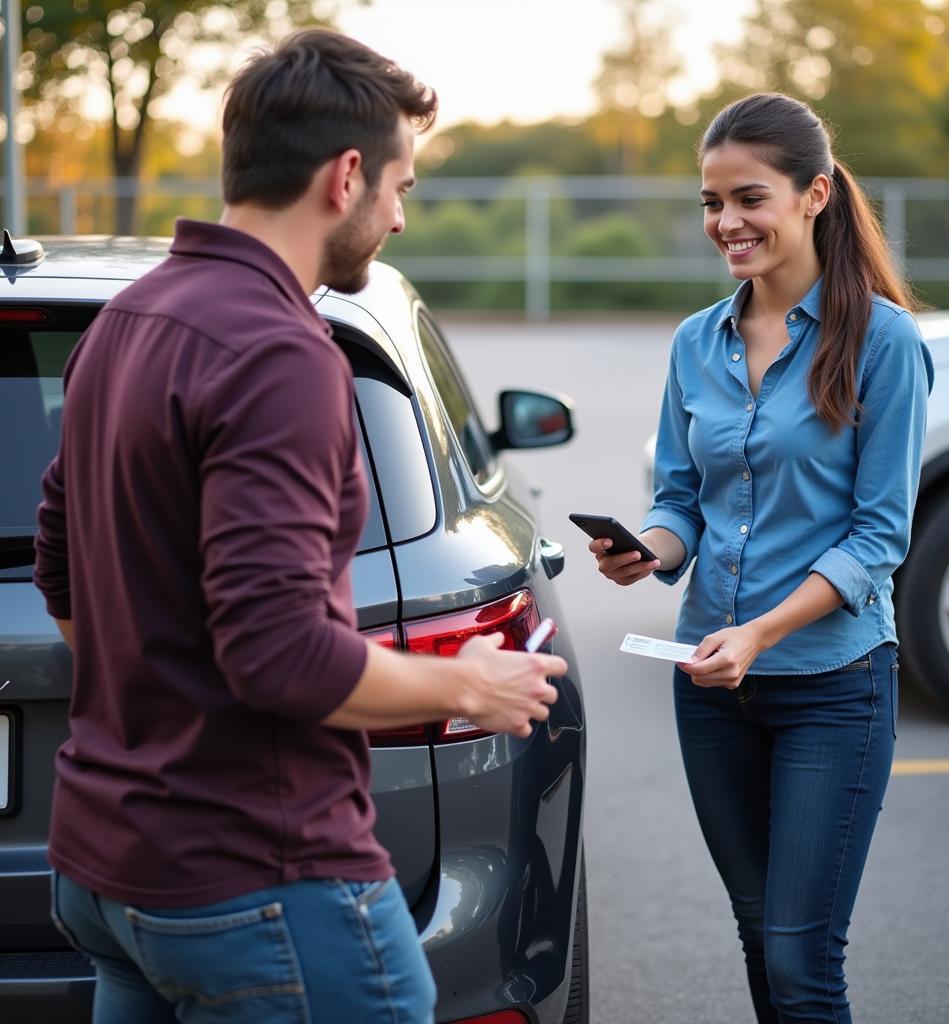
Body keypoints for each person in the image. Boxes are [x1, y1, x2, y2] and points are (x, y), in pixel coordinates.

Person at [33, 29, 566, 1024]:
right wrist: (468, 683)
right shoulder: (281, 353)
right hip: (256, 877)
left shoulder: (124, 322)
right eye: (399, 186)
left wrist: (166, 700)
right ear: (346, 174)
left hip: (112, 871)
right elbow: (279, 656)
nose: (400, 218)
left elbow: (67, 581)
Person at [587, 93, 933, 1023]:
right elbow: (681, 500)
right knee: (758, 936)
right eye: (710, 204)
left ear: (815, 194)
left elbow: (880, 537)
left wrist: (763, 631)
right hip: (709, 685)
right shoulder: (695, 343)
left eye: (749, 199)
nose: (726, 223)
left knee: (799, 958)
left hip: (833, 684)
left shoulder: (885, 342)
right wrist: (649, 553)